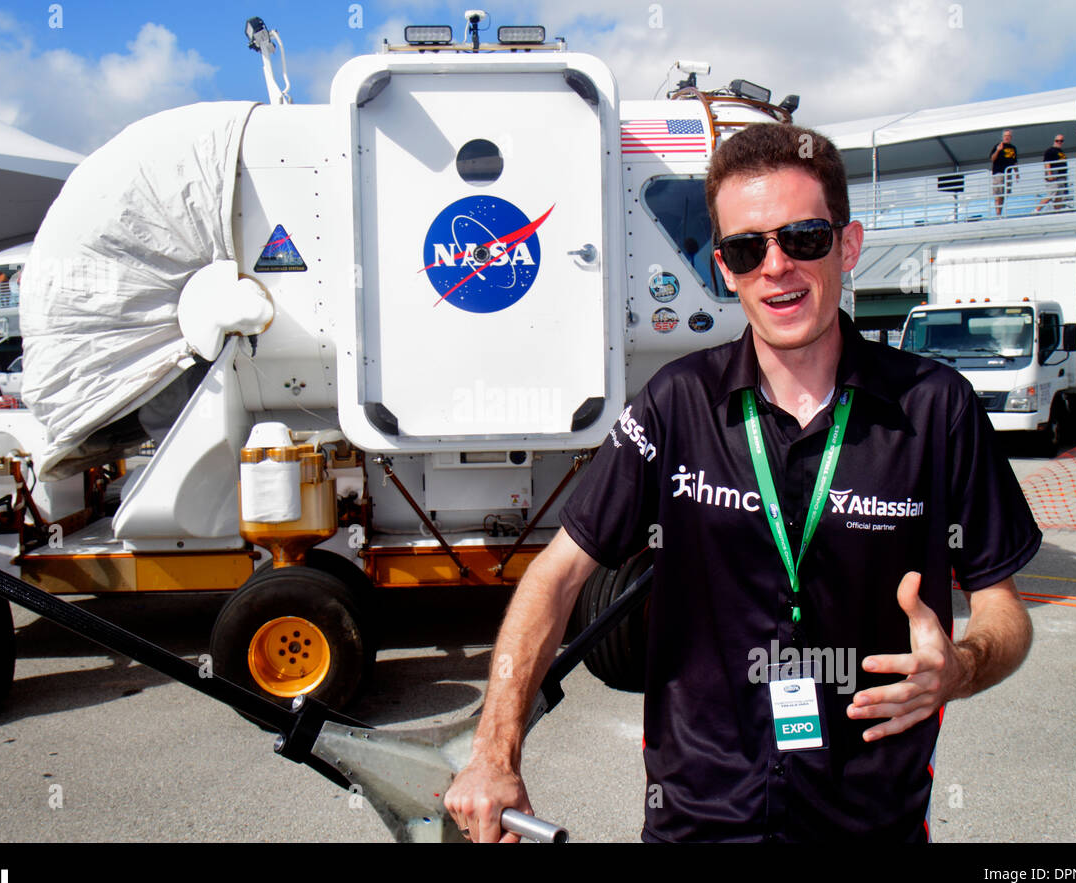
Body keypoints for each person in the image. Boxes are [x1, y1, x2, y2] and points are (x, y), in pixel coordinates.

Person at [444, 123, 1041, 842]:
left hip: (871, 824)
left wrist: (963, 666)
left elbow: (1003, 609)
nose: (776, 267)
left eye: (804, 238)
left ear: (847, 248)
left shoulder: (936, 407)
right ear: (724, 267)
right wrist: (492, 752)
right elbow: (557, 575)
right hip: (698, 823)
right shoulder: (675, 403)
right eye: (747, 248)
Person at [1035, 134, 1069, 213]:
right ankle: (1036, 210)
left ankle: (1057, 212)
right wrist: (1050, 174)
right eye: (1057, 141)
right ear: (1054, 141)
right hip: (1054, 176)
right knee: (1051, 194)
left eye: (1061, 141)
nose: (1059, 142)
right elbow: (1047, 163)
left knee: (1059, 196)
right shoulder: (1050, 151)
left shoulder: (1061, 152)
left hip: (1062, 177)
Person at [990, 129, 1018, 216]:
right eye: (1005, 136)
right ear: (1003, 137)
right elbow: (992, 159)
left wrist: (1017, 173)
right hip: (999, 172)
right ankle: (998, 214)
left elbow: (1014, 161)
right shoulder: (998, 145)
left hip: (1008, 173)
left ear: (1011, 137)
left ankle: (1000, 213)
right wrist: (998, 150)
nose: (1007, 137)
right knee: (998, 194)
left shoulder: (1013, 148)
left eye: (1009, 136)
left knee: (1004, 194)